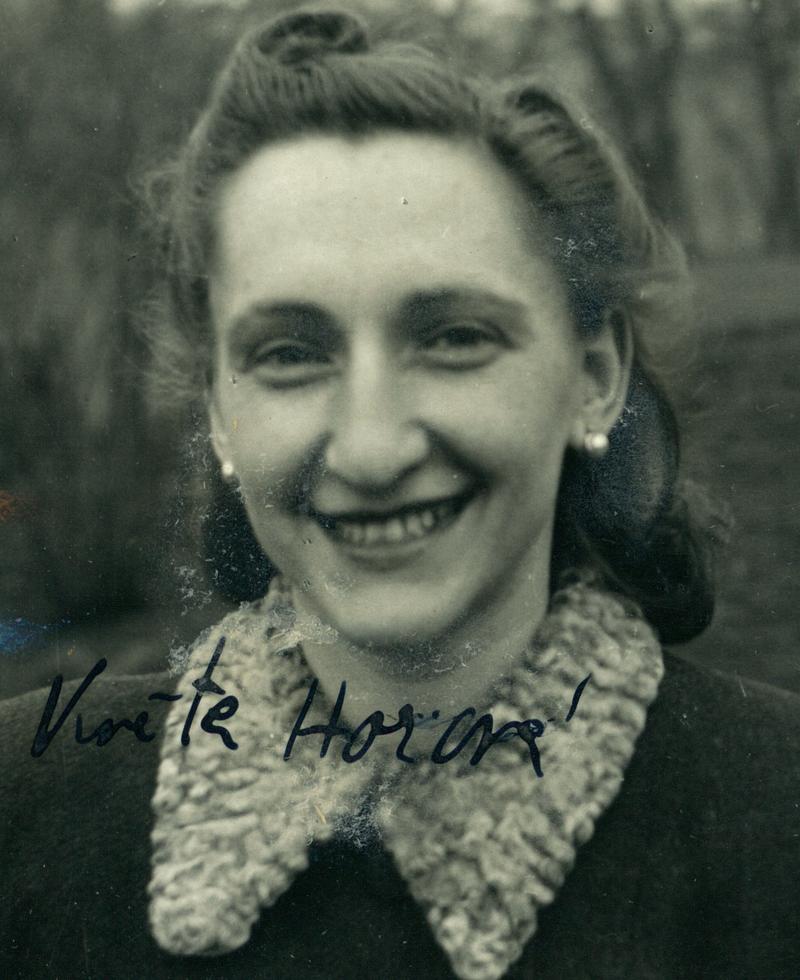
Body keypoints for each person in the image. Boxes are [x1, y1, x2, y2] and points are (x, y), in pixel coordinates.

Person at [2, 7, 798, 979]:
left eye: (454, 337)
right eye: (289, 353)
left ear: (594, 376)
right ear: (217, 411)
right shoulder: (24, 814)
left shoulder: (775, 823)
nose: (372, 448)